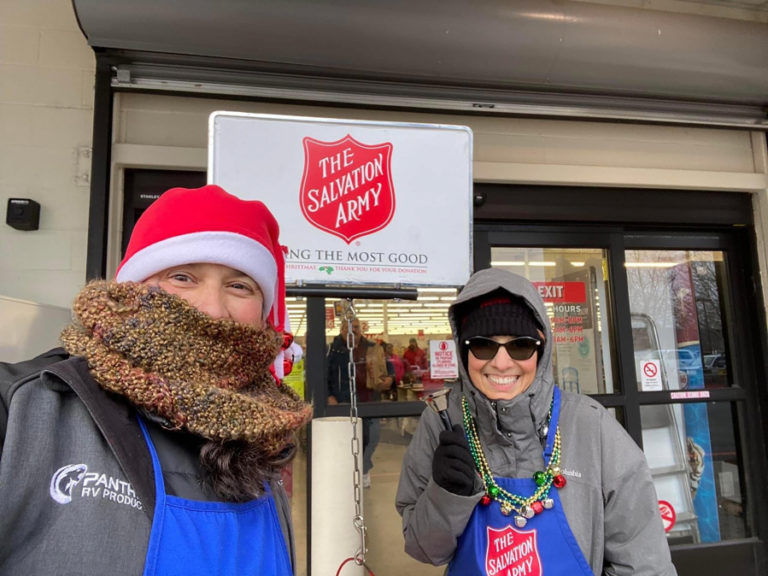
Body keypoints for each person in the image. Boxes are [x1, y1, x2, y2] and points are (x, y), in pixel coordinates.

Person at [0, 185, 313, 575]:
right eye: (182, 277)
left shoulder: (266, 431)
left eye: (239, 285)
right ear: (131, 290)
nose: (212, 308)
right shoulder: (23, 408)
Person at [396, 267, 677, 575]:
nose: (501, 363)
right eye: (483, 345)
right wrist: (445, 495)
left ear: (541, 349)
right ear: (464, 352)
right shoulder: (442, 421)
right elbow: (424, 549)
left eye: (520, 345)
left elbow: (645, 563)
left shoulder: (591, 426)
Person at [326, 318, 392, 487]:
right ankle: (349, 472)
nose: (352, 331)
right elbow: (322, 375)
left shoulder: (372, 348)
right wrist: (328, 396)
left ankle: (363, 468)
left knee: (372, 437)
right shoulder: (332, 351)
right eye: (348, 328)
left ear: (361, 329)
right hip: (343, 402)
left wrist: (390, 378)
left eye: (355, 327)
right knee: (346, 440)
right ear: (341, 330)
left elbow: (388, 367)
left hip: (368, 400)